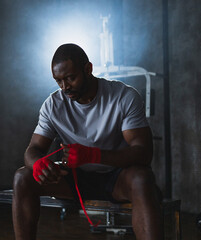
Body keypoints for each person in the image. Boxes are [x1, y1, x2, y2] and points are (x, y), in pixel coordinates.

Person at [12, 43, 163, 240]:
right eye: (58, 81)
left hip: (116, 178)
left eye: (70, 78)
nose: (65, 87)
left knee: (142, 178)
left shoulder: (123, 96)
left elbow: (143, 153)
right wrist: (38, 163)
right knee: (22, 177)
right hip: (75, 178)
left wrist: (93, 155)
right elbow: (33, 149)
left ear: (88, 69)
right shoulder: (53, 104)